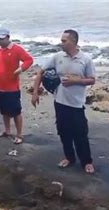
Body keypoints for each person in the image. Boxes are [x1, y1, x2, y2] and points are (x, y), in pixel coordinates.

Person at [31, 29, 95, 174]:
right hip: (59, 102)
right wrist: (35, 92)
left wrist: (76, 80)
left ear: (73, 41)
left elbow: (92, 79)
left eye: (64, 41)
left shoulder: (85, 59)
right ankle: (69, 158)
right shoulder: (58, 57)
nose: (61, 43)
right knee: (64, 132)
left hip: (77, 104)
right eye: (61, 40)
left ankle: (87, 162)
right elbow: (41, 72)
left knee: (80, 134)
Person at [0, 28, 33, 144]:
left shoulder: (16, 49)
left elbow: (29, 60)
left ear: (8, 37)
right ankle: (7, 131)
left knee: (15, 112)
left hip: (12, 88)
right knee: (4, 111)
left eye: (2, 39)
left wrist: (20, 69)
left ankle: (19, 134)